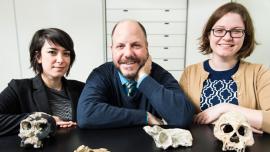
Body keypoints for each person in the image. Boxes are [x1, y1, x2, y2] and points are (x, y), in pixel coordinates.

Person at [77, 19, 194, 129]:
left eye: (136, 45)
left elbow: (182, 116)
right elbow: (86, 115)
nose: (128, 53)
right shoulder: (101, 74)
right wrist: (144, 117)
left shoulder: (160, 75)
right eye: (120, 46)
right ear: (112, 49)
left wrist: (144, 79)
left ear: (146, 48)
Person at [179, 2, 270, 134]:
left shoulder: (260, 73)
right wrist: (244, 120)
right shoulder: (190, 73)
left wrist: (224, 108)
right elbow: (181, 118)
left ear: (246, 36)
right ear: (208, 34)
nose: (227, 37)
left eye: (236, 31)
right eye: (219, 30)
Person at [0, 28, 85, 136]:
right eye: (52, 52)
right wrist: (43, 119)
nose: (60, 59)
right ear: (38, 57)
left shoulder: (82, 88)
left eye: (66, 53)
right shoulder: (19, 88)